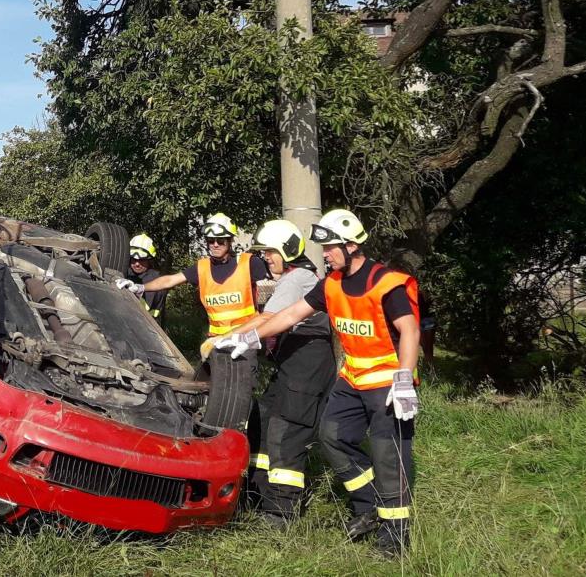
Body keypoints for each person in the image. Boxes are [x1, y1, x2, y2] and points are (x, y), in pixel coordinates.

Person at [215, 208, 421, 558]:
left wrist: (404, 378)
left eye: (330, 247)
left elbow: (410, 330)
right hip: (352, 378)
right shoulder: (331, 284)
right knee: (332, 438)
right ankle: (368, 504)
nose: (324, 254)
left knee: (388, 457)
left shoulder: (387, 283)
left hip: (388, 383)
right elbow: (292, 314)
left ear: (351, 245)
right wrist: (250, 337)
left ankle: (394, 540)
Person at [243, 219, 332, 526]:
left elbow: (265, 320)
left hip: (307, 367)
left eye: (270, 251)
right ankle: (256, 493)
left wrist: (224, 340)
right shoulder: (296, 278)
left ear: (287, 250)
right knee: (263, 418)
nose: (265, 257)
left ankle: (280, 511)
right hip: (292, 364)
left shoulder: (297, 279)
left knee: (286, 431)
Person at [119, 213, 265, 340]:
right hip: (216, 341)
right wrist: (140, 287)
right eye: (210, 240)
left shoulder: (249, 263)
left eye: (220, 240)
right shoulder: (202, 267)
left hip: (244, 341)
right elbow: (170, 280)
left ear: (230, 240)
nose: (215, 244)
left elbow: (276, 278)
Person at [119, 233, 169, 320]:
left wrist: (134, 291)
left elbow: (144, 308)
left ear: (150, 260)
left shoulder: (156, 281)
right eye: (134, 259)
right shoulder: (125, 271)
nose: (137, 264)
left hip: (147, 323)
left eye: (141, 260)